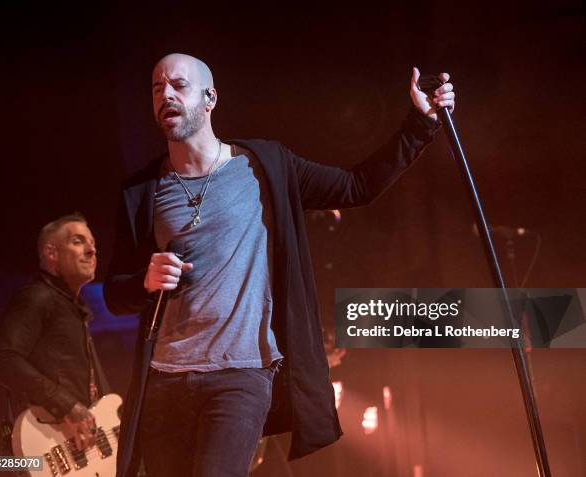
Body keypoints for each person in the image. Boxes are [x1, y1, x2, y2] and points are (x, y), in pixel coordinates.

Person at [103, 53, 455, 477]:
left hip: (240, 375)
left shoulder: (264, 166)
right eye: (158, 89)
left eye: (179, 85)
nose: (166, 95)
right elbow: (115, 293)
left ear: (210, 97)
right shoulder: (144, 190)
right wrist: (144, 280)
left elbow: (356, 186)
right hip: (164, 379)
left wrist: (420, 125)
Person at [0, 213, 110, 452]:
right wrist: (68, 406)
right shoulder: (38, 297)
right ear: (51, 253)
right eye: (78, 242)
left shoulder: (73, 308)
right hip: (47, 445)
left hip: (78, 448)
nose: (91, 251)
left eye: (93, 244)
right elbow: (2, 359)